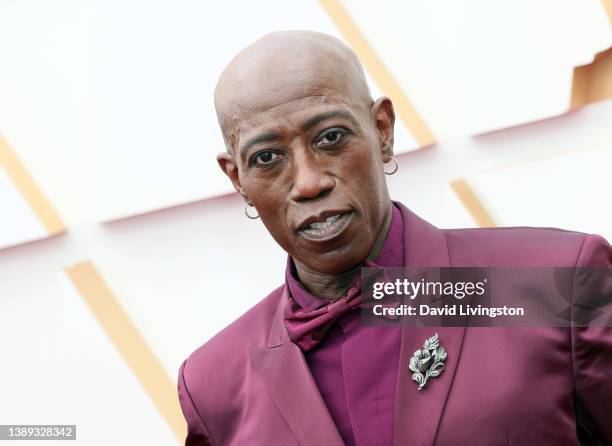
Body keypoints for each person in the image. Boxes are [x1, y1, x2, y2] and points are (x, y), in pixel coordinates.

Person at [177, 30, 612, 445]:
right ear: (238, 179)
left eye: (331, 137)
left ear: (382, 131)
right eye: (267, 157)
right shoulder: (214, 383)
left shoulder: (552, 287)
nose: (308, 183)